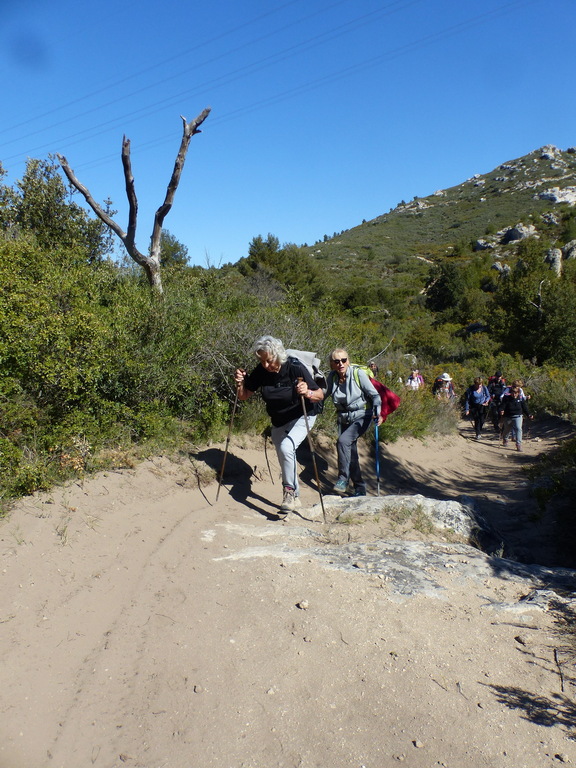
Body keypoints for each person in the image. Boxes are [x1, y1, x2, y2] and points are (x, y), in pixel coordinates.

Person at [234, 335, 324, 516]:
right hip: (279, 420)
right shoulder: (261, 371)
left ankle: (288, 492)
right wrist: (240, 384)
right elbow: (244, 396)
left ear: (277, 355)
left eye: (268, 360)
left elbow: (319, 394)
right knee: (284, 454)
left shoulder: (295, 367)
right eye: (261, 360)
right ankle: (296, 496)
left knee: (286, 447)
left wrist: (307, 392)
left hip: (303, 414)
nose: (265, 364)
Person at [325, 348, 382, 497]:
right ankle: (359, 487)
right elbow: (324, 394)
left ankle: (343, 479)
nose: (341, 364)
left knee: (343, 441)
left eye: (344, 360)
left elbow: (374, 395)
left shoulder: (358, 374)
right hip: (344, 417)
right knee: (351, 453)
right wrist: (310, 397)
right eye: (337, 361)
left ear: (348, 361)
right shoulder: (332, 377)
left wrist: (378, 409)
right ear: (332, 364)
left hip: (363, 415)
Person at [499, 384, 532, 451]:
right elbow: (502, 406)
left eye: (516, 393)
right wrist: (501, 410)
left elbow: (524, 407)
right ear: (510, 392)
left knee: (518, 429)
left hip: (518, 416)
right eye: (513, 393)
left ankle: (518, 444)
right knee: (507, 429)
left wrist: (529, 414)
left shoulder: (520, 398)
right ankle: (505, 439)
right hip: (508, 416)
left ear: (518, 393)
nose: (514, 395)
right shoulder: (506, 398)